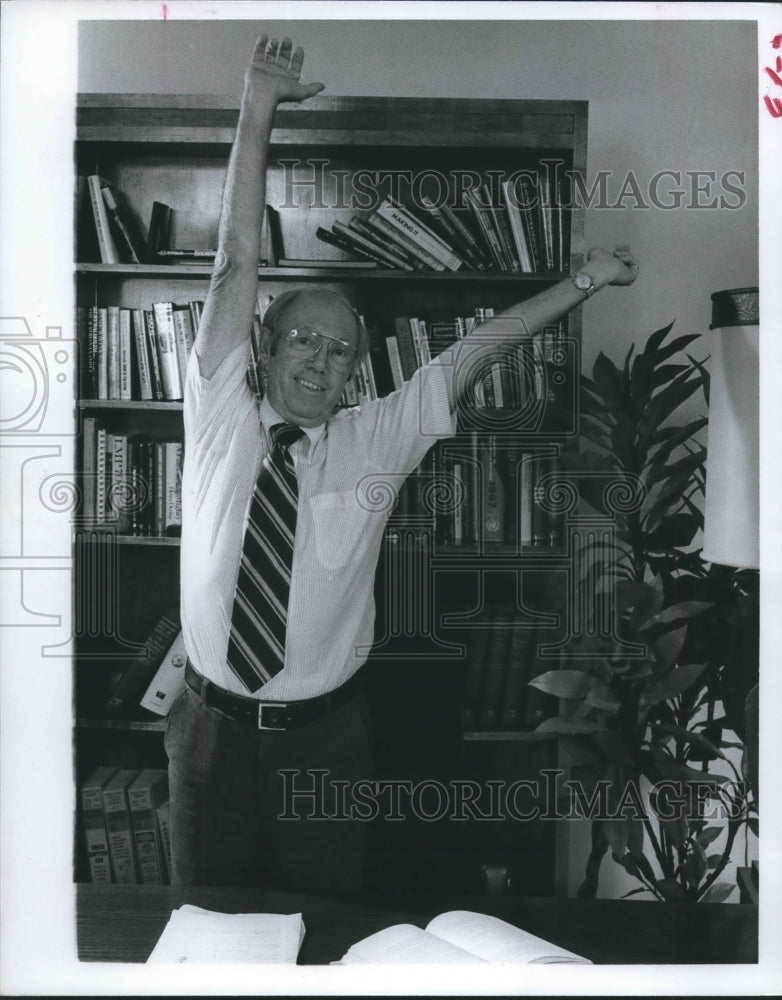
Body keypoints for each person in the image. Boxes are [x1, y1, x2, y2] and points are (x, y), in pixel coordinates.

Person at [165, 34, 640, 890]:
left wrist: (586, 281)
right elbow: (236, 263)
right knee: (202, 930)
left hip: (326, 742)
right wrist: (258, 105)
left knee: (327, 925)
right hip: (209, 734)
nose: (320, 361)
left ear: (357, 368)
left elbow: (475, 352)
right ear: (264, 348)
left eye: (340, 350)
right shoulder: (219, 412)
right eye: (302, 340)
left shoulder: (377, 433)